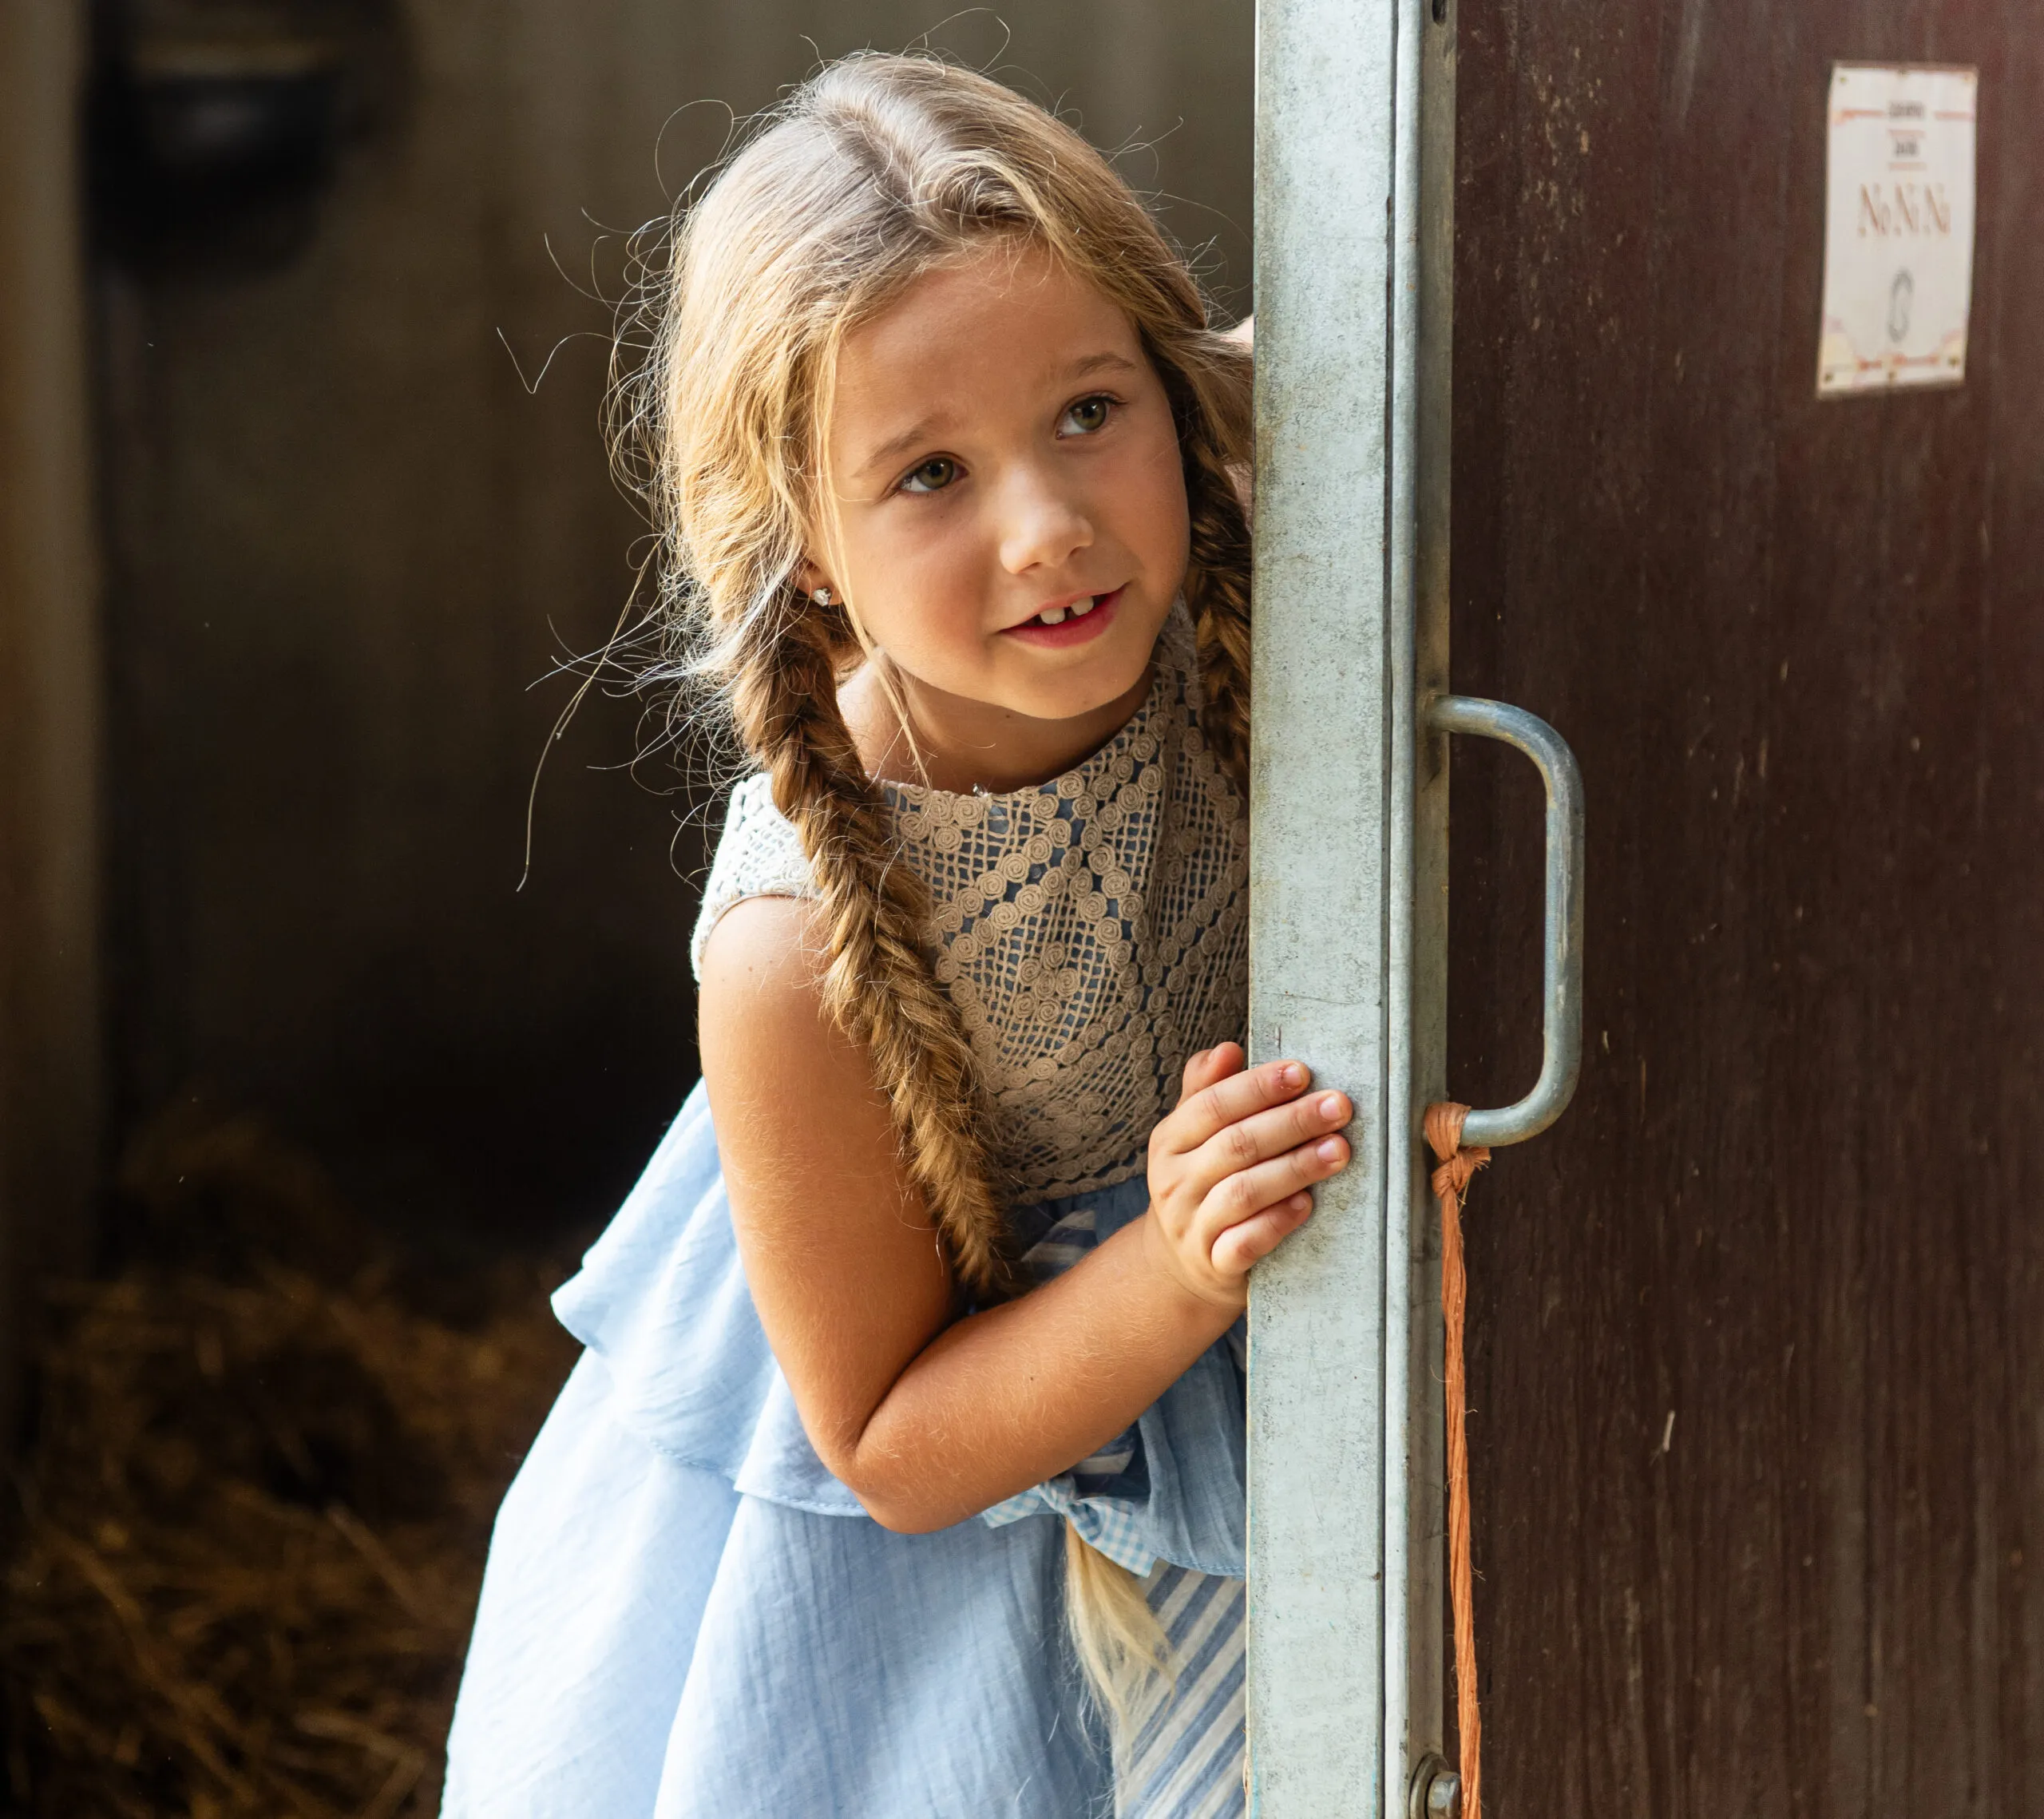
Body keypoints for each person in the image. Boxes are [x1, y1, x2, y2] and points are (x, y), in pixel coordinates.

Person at [441, 52, 1351, 1819]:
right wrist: (1166, 1270)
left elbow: (1391, 351)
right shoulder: (790, 952)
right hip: (951, 1563)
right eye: (928, 473)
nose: (1047, 527)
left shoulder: (1218, 559)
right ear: (803, 550)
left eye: (1089, 411)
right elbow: (889, 1444)